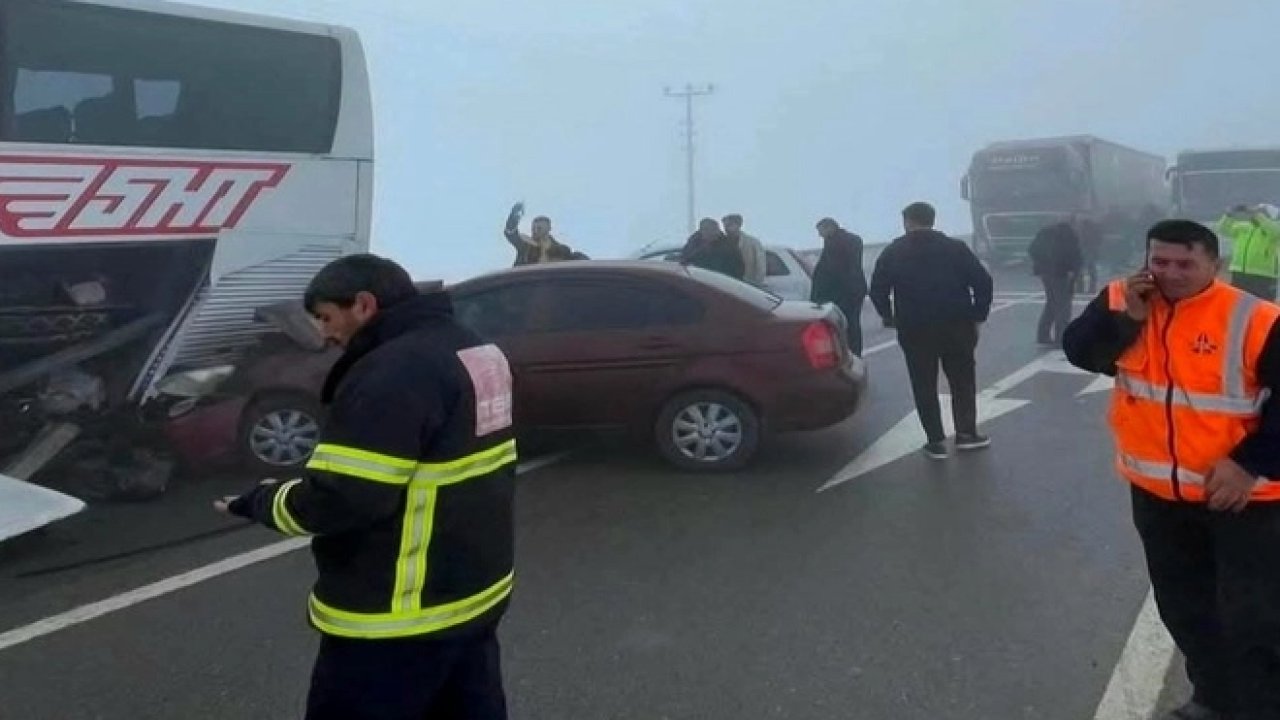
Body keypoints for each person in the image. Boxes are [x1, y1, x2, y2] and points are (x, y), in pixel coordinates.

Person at [215, 253, 518, 720]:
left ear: (363, 304)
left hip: (397, 613)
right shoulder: (475, 349)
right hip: (473, 595)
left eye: (325, 317)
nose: (323, 333)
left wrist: (260, 501)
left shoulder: (392, 373)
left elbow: (343, 499)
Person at [1062, 219, 1280, 720]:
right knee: (1186, 610)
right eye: (1160, 262)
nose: (1171, 274)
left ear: (1215, 265)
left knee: (1254, 618)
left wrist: (1249, 464)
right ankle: (1214, 699)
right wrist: (1125, 320)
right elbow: (1081, 352)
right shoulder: (1125, 300)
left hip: (1244, 500)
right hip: (1159, 496)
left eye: (1186, 264)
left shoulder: (1254, 319)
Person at [870, 202, 993, 459]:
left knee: (923, 383)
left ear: (908, 222)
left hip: (915, 328)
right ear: (932, 220)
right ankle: (967, 434)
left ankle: (935, 442)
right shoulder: (955, 248)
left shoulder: (894, 252)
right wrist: (977, 315)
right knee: (962, 380)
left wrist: (889, 316)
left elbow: (878, 289)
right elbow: (983, 281)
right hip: (957, 325)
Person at [811, 217, 869, 355]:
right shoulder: (853, 240)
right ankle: (855, 352)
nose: (820, 235)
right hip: (854, 289)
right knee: (853, 323)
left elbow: (831, 270)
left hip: (841, 291)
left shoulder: (834, 244)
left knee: (844, 325)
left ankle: (849, 352)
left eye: (821, 231)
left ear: (829, 227)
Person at [1028, 217, 1082, 347]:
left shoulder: (1045, 232)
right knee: (1064, 306)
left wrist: (1041, 264)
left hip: (1045, 273)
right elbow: (1074, 256)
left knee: (1051, 304)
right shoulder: (1069, 235)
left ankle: (1043, 334)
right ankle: (1061, 337)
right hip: (1062, 274)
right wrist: (1074, 271)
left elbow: (1031, 249)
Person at [1218, 204, 1280, 300]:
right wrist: (1229, 215)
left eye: (1262, 212)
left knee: (1264, 308)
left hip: (1263, 275)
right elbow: (1223, 229)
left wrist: (1257, 215)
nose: (1255, 214)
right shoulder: (1244, 227)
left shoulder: (1274, 229)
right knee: (1238, 306)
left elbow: (1274, 231)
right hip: (1239, 272)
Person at [502, 201, 585, 266]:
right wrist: (514, 216)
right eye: (533, 229)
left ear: (549, 229)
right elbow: (510, 233)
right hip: (527, 283)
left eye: (539, 228)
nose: (535, 231)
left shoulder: (562, 250)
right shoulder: (525, 246)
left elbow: (580, 262)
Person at [680, 217, 745, 280]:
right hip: (696, 280)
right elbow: (684, 260)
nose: (715, 233)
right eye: (709, 231)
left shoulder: (729, 246)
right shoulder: (693, 242)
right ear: (702, 231)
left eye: (716, 230)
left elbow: (738, 270)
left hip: (721, 283)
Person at [723, 213, 766, 286]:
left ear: (739, 225)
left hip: (748, 284)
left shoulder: (753, 243)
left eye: (730, 225)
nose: (726, 228)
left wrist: (757, 284)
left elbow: (761, 266)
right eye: (725, 226)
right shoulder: (721, 242)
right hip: (726, 284)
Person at [1074, 212, 1103, 294]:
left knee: (1082, 270)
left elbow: (1079, 239)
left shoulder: (1081, 228)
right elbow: (1099, 239)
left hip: (1084, 250)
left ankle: (1081, 288)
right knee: (1090, 270)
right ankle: (1090, 288)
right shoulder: (1094, 228)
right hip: (1089, 250)